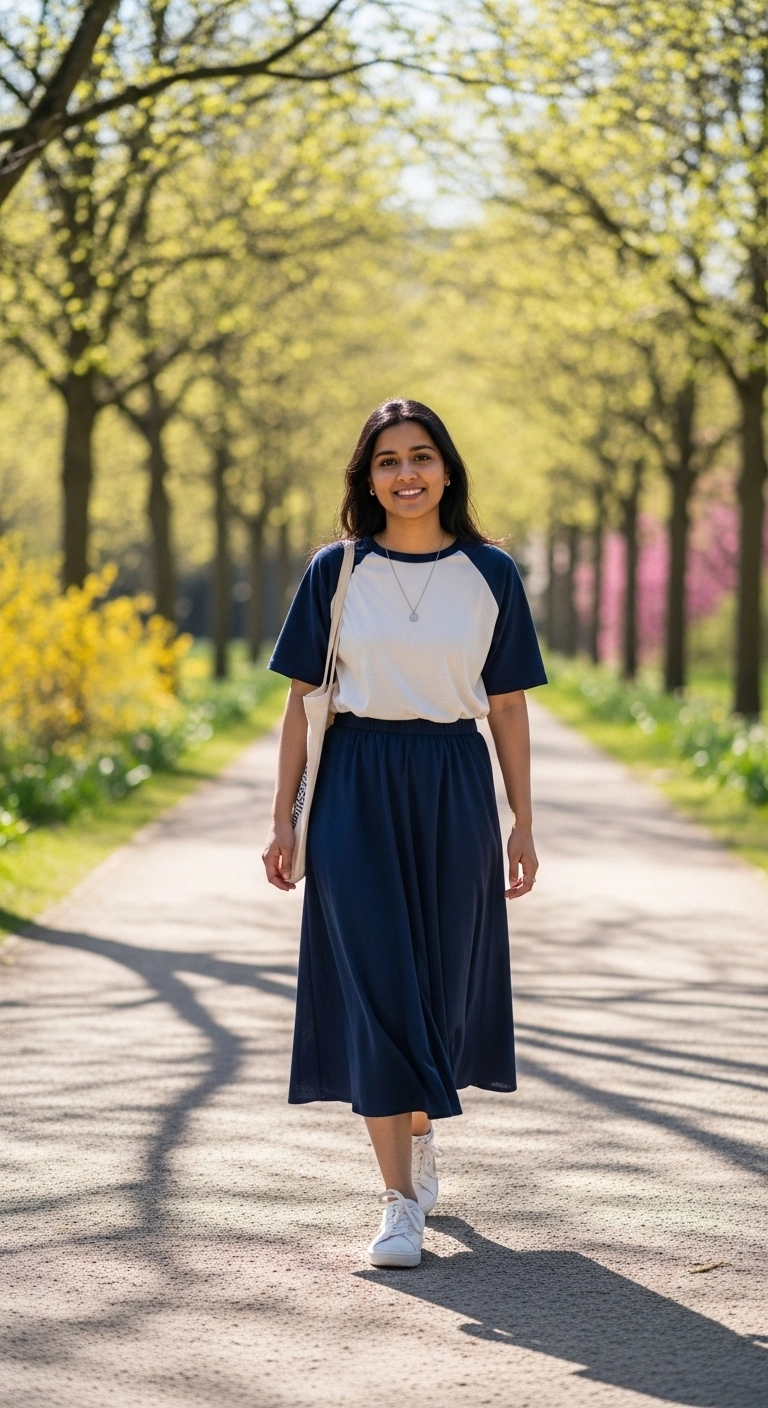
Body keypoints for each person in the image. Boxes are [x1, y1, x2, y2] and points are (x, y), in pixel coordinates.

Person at [263, 398, 547, 1268]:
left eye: (421, 456)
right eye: (388, 461)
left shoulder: (491, 573)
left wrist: (522, 821)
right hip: (354, 782)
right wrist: (283, 818)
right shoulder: (336, 570)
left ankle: (419, 1131)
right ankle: (396, 1202)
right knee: (377, 980)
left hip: (453, 781)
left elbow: (507, 705)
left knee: (441, 983)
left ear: (447, 470)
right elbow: (301, 702)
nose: (407, 474)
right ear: (368, 478)